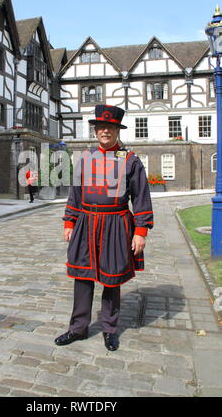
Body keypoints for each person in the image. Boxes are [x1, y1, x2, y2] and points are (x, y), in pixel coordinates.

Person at [55, 104, 153, 351]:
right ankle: (78, 328)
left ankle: (109, 329)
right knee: (82, 276)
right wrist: (70, 221)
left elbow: (141, 197)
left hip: (116, 224)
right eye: (101, 127)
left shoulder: (131, 161)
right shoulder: (86, 158)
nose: (105, 131)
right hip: (86, 223)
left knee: (111, 279)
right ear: (96, 130)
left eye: (110, 127)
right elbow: (75, 194)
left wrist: (141, 231)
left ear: (117, 130)